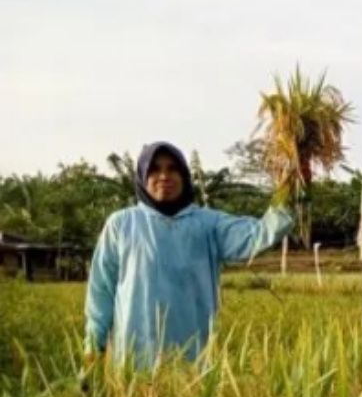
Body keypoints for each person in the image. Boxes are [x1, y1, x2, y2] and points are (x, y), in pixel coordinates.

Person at [84, 141, 292, 368]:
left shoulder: (208, 224)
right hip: (132, 365)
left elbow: (258, 234)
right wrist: (94, 346)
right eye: (155, 169)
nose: (164, 176)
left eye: (173, 168)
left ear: (184, 176)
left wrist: (291, 188)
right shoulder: (122, 224)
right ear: (143, 177)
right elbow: (101, 291)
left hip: (193, 366)